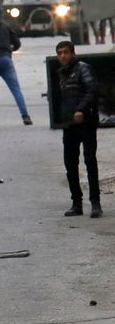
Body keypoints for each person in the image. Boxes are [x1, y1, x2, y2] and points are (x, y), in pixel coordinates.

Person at [55, 40, 102, 218]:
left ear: (72, 53)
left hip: (86, 123)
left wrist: (81, 109)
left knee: (90, 161)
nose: (62, 56)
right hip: (70, 125)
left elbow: (92, 90)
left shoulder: (83, 68)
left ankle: (95, 203)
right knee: (70, 164)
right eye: (59, 53)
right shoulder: (62, 73)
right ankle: (77, 203)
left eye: (65, 52)